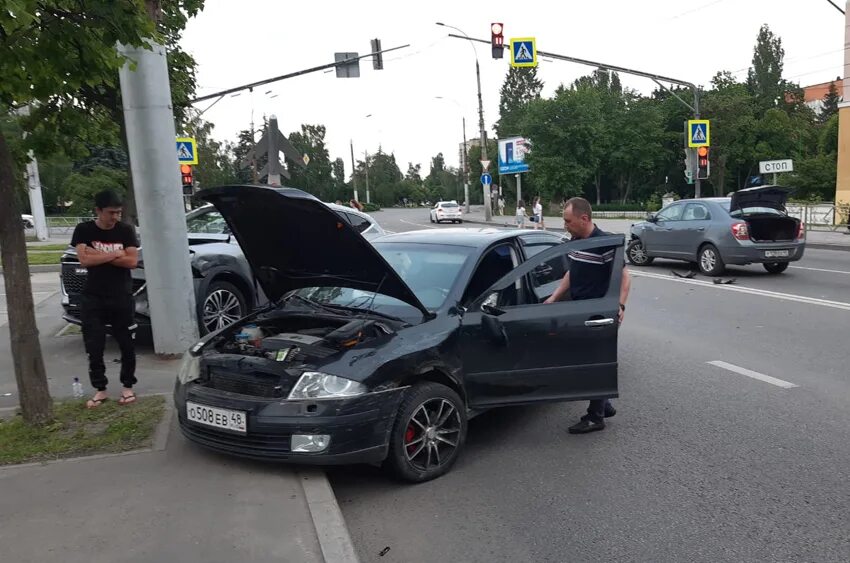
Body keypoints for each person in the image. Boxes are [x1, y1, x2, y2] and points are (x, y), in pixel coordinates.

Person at [544, 197, 631, 434]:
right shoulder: (576, 241)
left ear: (584, 219)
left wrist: (620, 307)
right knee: (581, 359)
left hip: (599, 313)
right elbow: (572, 272)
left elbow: (625, 277)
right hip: (579, 310)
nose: (565, 225)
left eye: (568, 221)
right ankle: (605, 404)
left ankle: (595, 417)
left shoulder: (604, 243)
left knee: (594, 363)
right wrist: (554, 297)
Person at [71, 190, 140, 408]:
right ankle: (100, 389)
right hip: (93, 298)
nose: (115, 217)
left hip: (121, 296)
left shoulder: (125, 231)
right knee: (94, 345)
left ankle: (128, 387)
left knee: (127, 344)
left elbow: (131, 262)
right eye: (111, 213)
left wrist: (97, 256)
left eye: (118, 213)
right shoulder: (84, 230)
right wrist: (115, 254)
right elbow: (83, 260)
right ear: (98, 211)